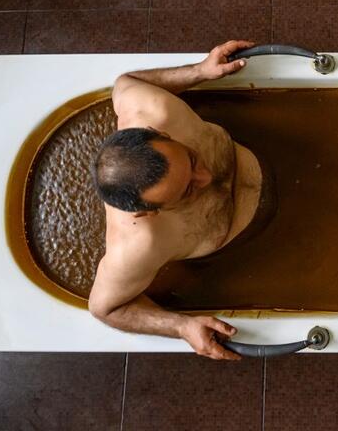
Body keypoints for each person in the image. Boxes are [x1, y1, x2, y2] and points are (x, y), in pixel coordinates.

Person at [88, 40, 261, 361]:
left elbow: (125, 82)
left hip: (275, 154)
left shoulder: (153, 108)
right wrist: (180, 327)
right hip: (259, 242)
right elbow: (104, 308)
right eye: (187, 191)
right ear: (147, 212)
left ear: (160, 134)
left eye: (191, 160)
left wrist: (199, 71)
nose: (205, 178)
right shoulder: (136, 246)